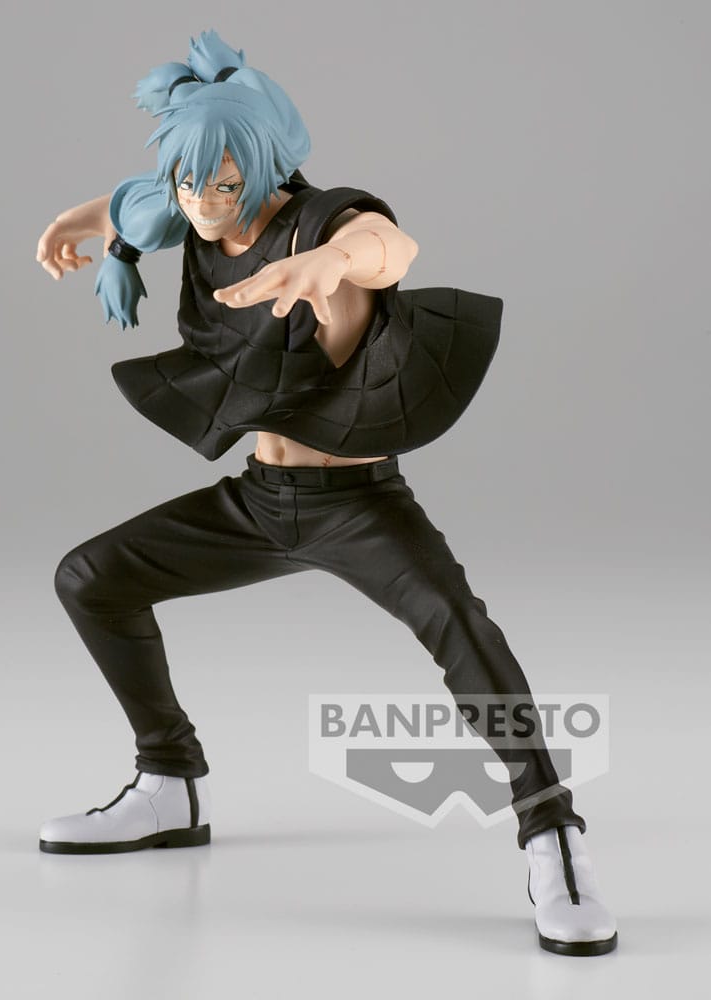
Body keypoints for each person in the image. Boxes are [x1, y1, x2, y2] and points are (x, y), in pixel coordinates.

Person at [35, 29, 617, 956]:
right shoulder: (192, 206)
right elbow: (134, 200)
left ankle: (554, 835)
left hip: (358, 507)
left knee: (460, 626)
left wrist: (335, 266)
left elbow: (389, 243)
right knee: (89, 578)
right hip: (258, 503)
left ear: (264, 166)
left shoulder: (320, 220)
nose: (205, 201)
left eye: (225, 183)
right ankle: (170, 783)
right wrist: (82, 223)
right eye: (192, 182)